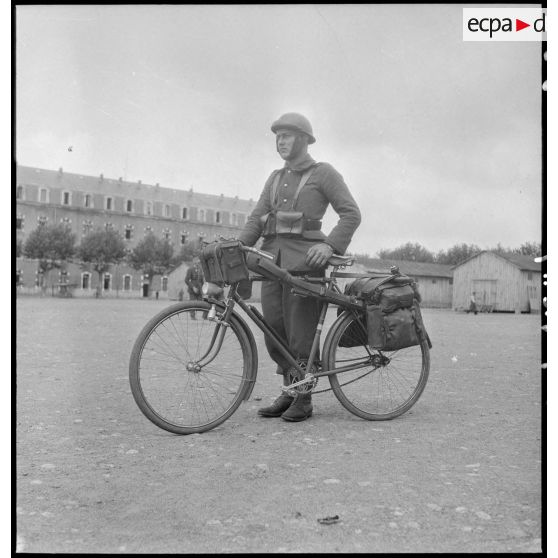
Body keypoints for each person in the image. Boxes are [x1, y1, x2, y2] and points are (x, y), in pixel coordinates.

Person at [238, 112, 361, 422]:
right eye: (278, 136)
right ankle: (290, 390)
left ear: (305, 140)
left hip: (306, 264)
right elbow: (257, 218)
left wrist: (329, 246)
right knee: (274, 329)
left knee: (300, 332)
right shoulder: (275, 178)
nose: (280, 140)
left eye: (288, 135)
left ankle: (304, 398)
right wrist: (239, 247)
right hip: (271, 263)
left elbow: (350, 214)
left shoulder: (324, 174)